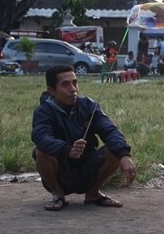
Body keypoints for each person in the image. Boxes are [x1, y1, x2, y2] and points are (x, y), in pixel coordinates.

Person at [31, 65, 136, 211]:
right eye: (65, 84)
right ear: (52, 90)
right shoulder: (44, 111)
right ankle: (57, 194)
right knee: (40, 150)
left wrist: (124, 155)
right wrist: (67, 150)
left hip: (88, 167)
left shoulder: (88, 105)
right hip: (61, 171)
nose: (73, 89)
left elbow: (109, 130)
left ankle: (93, 194)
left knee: (114, 150)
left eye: (75, 82)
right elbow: (40, 136)